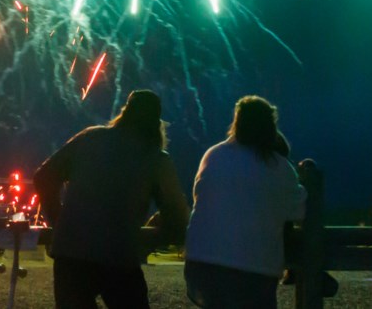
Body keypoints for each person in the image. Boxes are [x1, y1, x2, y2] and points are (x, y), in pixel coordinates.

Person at [33, 89, 189, 309]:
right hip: (119, 254)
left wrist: (57, 220)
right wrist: (150, 239)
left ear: (125, 113)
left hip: (71, 253)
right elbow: (177, 216)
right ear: (156, 122)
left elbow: (43, 177)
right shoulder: (156, 159)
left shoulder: (90, 138)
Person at [185, 95, 307, 309]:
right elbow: (298, 210)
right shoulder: (279, 167)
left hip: (201, 265)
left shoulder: (213, 155)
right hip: (255, 271)